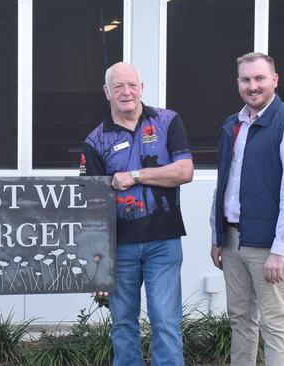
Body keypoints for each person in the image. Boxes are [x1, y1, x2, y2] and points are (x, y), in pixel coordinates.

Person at [80, 62, 194, 366]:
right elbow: (93, 208)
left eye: (131, 85)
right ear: (107, 92)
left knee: (166, 323)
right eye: (118, 87)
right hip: (121, 247)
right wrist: (96, 265)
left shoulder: (168, 121)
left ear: (141, 87)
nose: (126, 92)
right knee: (122, 326)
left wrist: (136, 175)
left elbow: (184, 171)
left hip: (164, 241)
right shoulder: (95, 140)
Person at [210, 52, 284, 366]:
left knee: (274, 323)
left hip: (270, 245)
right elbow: (224, 185)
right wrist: (217, 237)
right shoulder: (233, 124)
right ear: (238, 82)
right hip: (232, 240)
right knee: (240, 319)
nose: (252, 86)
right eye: (246, 79)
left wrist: (280, 251)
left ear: (275, 80)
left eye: (259, 78)